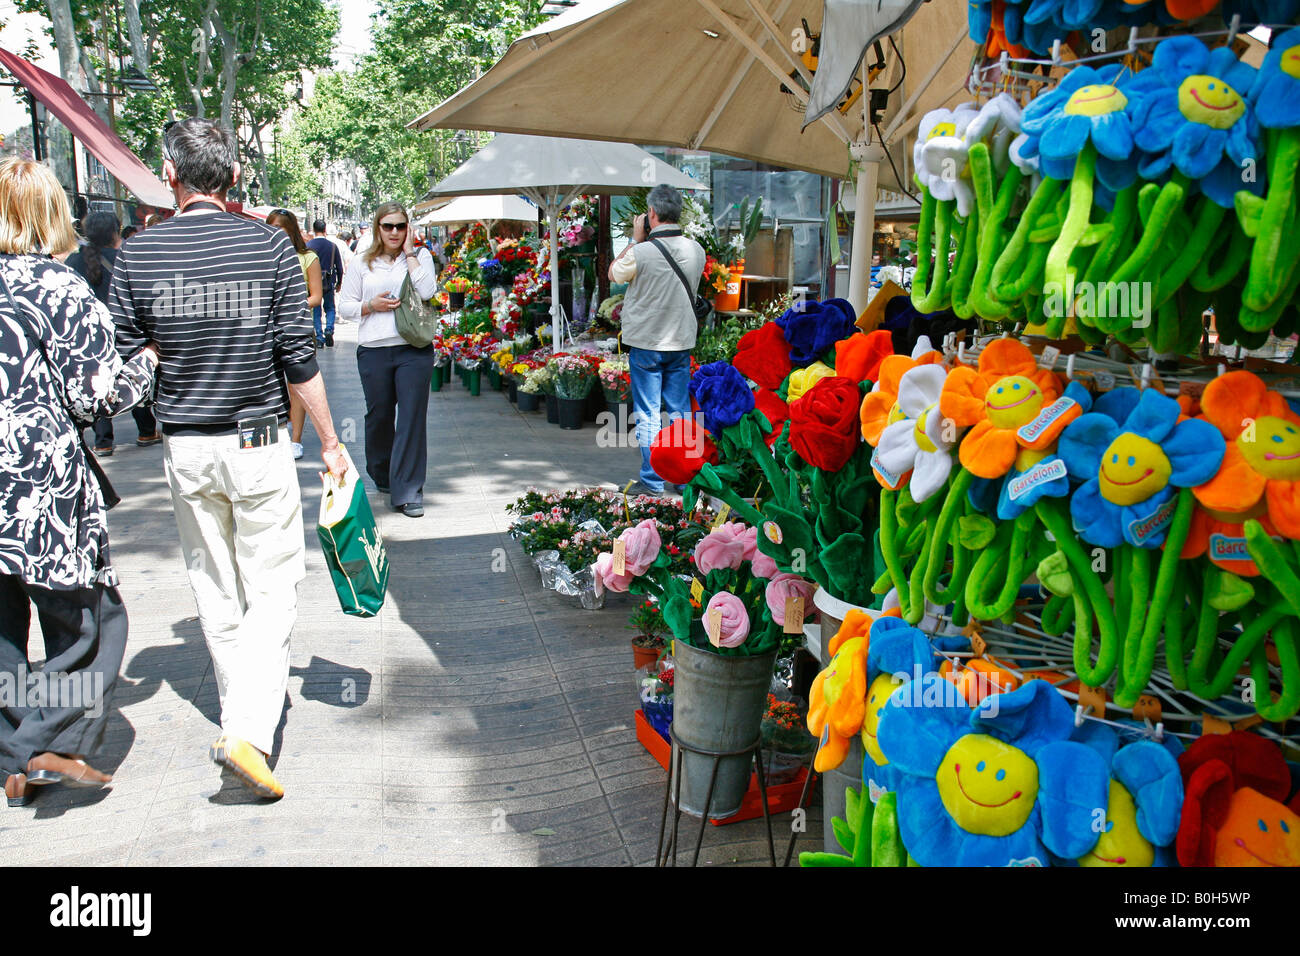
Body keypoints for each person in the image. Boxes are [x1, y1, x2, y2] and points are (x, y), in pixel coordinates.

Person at [108, 118, 347, 800]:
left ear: (169, 175)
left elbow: (132, 360)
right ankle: (248, 731)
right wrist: (329, 440)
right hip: (258, 440)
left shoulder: (138, 256)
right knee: (272, 584)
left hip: (185, 446)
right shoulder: (270, 246)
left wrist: (174, 352)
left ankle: (239, 718)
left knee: (214, 584)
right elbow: (298, 360)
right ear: (236, 178)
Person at [0, 158, 159, 807]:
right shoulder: (59, 289)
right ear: (52, 213)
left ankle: (15, 752)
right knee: (90, 616)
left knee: (4, 623)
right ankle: (45, 741)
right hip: (37, 477)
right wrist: (145, 364)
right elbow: (95, 396)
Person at [337, 202, 438, 518]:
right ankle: (382, 473)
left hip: (413, 350)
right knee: (379, 417)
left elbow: (427, 290)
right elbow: (345, 306)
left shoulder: (420, 257)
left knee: (411, 418)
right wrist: (371, 306)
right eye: (388, 226)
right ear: (377, 227)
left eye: (401, 226)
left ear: (409, 228)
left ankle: (408, 490)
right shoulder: (362, 263)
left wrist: (409, 254)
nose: (395, 232)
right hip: (374, 350)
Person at [607, 184, 705, 495]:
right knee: (679, 412)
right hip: (681, 342)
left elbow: (613, 274)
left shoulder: (641, 252)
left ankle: (651, 481)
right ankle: (681, 477)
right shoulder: (697, 250)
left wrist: (635, 240)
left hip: (647, 344)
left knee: (649, 413)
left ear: (651, 214)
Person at [66, 211, 161, 455]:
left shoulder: (74, 262)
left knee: (98, 380)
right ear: (114, 232)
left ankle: (103, 440)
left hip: (89, 333)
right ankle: (146, 430)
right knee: (131, 374)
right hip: (122, 327)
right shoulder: (124, 258)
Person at [267, 210, 323, 461]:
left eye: (281, 228)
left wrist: (290, 307)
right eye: (272, 227)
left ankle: (296, 438)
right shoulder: (262, 257)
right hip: (267, 331)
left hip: (296, 330)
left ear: (292, 230)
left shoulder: (307, 257)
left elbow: (316, 296)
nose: (277, 233)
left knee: (298, 385)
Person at [305, 218, 342, 348]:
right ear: (325, 229)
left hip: (313, 283)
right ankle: (329, 329)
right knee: (330, 308)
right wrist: (339, 283)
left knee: (316, 310)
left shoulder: (309, 246)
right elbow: (339, 266)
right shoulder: (332, 246)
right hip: (328, 282)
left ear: (314, 230)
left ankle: (319, 338)